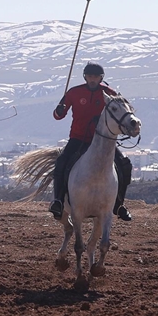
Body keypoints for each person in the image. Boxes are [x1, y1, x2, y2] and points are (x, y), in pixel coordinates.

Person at [50, 62, 133, 221]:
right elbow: (58, 115)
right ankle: (58, 201)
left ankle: (119, 204)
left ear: (101, 78)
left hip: (103, 141)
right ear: (85, 77)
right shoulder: (74, 93)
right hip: (78, 138)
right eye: (89, 76)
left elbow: (123, 112)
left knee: (125, 165)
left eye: (95, 77)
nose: (92, 79)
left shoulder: (110, 94)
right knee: (61, 162)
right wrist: (59, 110)